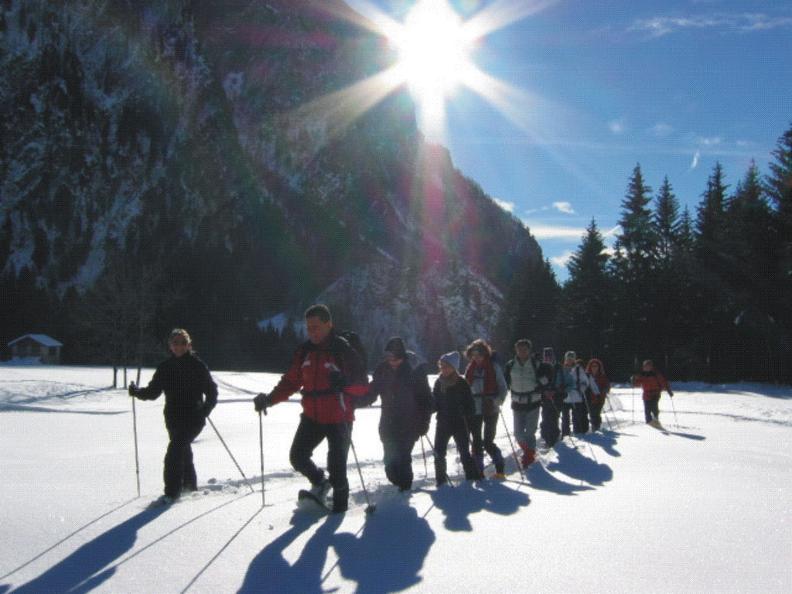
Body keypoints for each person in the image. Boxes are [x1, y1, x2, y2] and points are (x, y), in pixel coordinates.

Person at [253, 305, 368, 513]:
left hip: (339, 417)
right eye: (309, 328)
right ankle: (320, 483)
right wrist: (269, 400)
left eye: (316, 327)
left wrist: (344, 382)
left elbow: (362, 385)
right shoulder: (304, 351)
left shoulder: (343, 350)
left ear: (328, 325)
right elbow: (290, 382)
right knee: (297, 456)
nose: (312, 332)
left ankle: (339, 510)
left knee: (337, 467)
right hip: (312, 417)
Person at [129, 328, 218, 505]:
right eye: (175, 343)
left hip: (194, 418)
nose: (179, 346)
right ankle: (190, 486)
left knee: (175, 451)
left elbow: (212, 392)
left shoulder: (197, 366)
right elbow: (153, 392)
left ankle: (172, 492)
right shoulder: (165, 367)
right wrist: (137, 392)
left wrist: (205, 410)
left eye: (183, 343)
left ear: (189, 345)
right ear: (170, 346)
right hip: (173, 418)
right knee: (183, 451)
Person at [363, 337, 432, 493]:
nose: (392, 361)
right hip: (388, 423)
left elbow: (427, 400)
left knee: (403, 458)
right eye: (389, 357)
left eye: (395, 358)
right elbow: (372, 391)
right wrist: (356, 401)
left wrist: (424, 422)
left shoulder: (414, 371)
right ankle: (399, 484)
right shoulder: (382, 370)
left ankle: (405, 490)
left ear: (402, 357)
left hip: (410, 424)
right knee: (389, 462)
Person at [432, 351, 479, 484]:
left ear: (454, 367)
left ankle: (472, 478)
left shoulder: (462, 383)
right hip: (442, 422)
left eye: (446, 366)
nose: (443, 369)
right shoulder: (438, 382)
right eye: (441, 366)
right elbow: (435, 402)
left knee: (464, 453)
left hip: (459, 422)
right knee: (439, 453)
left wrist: (468, 415)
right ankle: (440, 481)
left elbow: (470, 404)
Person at [504, 339, 552, 467]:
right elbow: (505, 381)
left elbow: (548, 378)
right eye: (519, 349)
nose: (522, 352)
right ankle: (529, 453)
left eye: (524, 349)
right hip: (517, 403)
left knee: (530, 432)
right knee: (518, 433)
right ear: (516, 350)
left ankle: (529, 457)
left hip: (533, 402)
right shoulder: (510, 365)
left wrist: (542, 385)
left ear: (529, 350)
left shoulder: (536, 364)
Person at [464, 339, 507, 479]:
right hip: (474, 408)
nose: (476, 357)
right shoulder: (470, 368)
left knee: (488, 441)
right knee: (476, 440)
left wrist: (497, 401)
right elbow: (466, 388)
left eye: (479, 354)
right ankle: (479, 471)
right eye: (474, 355)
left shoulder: (494, 367)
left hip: (490, 406)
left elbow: (503, 387)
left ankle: (500, 467)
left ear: (485, 354)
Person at [559, 351, 600, 436]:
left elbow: (585, 381)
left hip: (577, 397)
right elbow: (558, 381)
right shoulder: (561, 369)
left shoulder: (578, 369)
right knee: (565, 419)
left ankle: (578, 434)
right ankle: (565, 435)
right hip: (565, 397)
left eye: (571, 359)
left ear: (574, 359)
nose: (569, 360)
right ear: (565, 359)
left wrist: (582, 388)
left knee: (577, 418)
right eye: (568, 359)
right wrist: (560, 387)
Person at [632, 359, 673, 427]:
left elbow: (663, 382)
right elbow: (637, 384)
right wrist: (633, 380)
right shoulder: (642, 375)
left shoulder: (656, 374)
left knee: (654, 408)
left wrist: (669, 391)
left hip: (655, 393)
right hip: (646, 394)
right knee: (647, 409)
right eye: (645, 366)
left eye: (648, 366)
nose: (646, 368)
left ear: (651, 367)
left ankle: (655, 419)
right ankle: (649, 423)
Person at [539, 347, 564, 448]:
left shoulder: (558, 367)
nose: (547, 358)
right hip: (544, 398)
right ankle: (546, 438)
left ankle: (553, 440)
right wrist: (544, 390)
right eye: (546, 356)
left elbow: (561, 382)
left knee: (554, 419)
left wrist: (555, 391)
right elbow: (539, 380)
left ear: (553, 356)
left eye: (549, 356)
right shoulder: (541, 367)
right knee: (545, 419)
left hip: (556, 397)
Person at [585, 358, 611, 431]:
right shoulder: (587, 376)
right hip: (590, 398)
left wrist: (604, 390)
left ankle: (596, 426)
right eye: (593, 366)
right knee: (592, 413)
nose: (594, 368)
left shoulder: (602, 376)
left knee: (596, 412)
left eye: (596, 366)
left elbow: (607, 386)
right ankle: (595, 427)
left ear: (599, 367)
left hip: (600, 398)